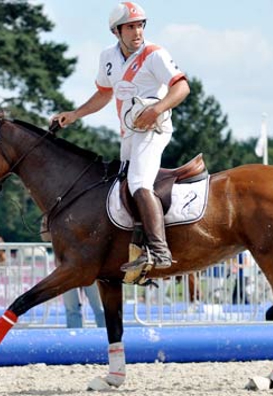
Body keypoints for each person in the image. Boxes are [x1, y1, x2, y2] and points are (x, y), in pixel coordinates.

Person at [51, 2, 190, 272]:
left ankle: (159, 250)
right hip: (128, 134)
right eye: (130, 27)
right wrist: (75, 114)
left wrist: (157, 109)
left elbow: (182, 87)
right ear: (116, 31)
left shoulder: (155, 54)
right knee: (121, 186)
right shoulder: (107, 57)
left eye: (140, 25)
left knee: (138, 183)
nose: (137, 31)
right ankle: (137, 251)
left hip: (154, 129)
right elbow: (104, 93)